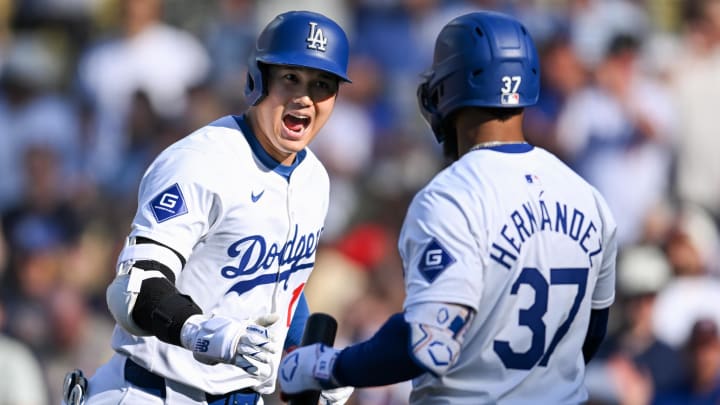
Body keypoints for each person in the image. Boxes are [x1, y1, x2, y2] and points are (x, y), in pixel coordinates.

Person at [278, 10, 617, 404]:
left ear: (447, 90)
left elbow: (429, 342)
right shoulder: (588, 196)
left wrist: (327, 366)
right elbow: (588, 337)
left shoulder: (452, 195)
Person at [72, 10, 354, 405]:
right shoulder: (200, 161)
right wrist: (202, 331)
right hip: (151, 391)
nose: (305, 97)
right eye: (291, 78)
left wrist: (307, 358)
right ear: (259, 79)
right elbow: (134, 291)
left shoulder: (315, 179)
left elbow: (284, 286)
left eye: (322, 84)